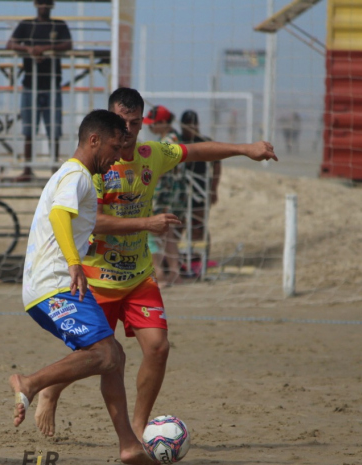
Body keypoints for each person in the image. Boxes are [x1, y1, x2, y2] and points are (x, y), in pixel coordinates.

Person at [34, 88, 277, 440]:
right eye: (123, 122)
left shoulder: (153, 154)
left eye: (135, 122)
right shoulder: (97, 165)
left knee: (158, 348)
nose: (129, 130)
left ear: (143, 121)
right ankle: (51, 390)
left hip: (139, 277)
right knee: (100, 357)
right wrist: (146, 224)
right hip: (97, 277)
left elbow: (196, 151)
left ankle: (139, 426)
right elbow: (94, 222)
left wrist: (245, 149)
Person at [9, 109, 160, 465]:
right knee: (107, 355)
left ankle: (128, 444)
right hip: (55, 284)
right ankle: (30, 383)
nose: (116, 155)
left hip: (56, 284)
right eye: (112, 145)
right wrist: (75, 263)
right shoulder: (77, 176)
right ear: (94, 140)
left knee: (114, 357)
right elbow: (60, 216)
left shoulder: (75, 176)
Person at [6, 0, 72, 181]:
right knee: (28, 129)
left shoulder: (58, 25)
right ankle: (27, 169)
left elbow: (68, 44)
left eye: (47, 3)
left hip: (51, 85)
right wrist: (29, 49)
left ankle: (54, 169)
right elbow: (10, 43)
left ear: (52, 5)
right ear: (36, 4)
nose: (44, 6)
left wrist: (45, 48)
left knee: (54, 129)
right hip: (30, 84)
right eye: (41, 2)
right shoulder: (27, 25)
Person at [143, 105, 184, 286]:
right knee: (168, 233)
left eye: (153, 124)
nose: (150, 128)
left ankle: (159, 273)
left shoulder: (168, 141)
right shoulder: (174, 137)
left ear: (163, 122)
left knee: (153, 231)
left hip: (164, 194)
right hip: (172, 194)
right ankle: (174, 273)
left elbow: (158, 168)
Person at [179, 109, 222, 243]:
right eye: (187, 124)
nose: (190, 127)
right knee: (178, 224)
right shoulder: (177, 141)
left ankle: (200, 257)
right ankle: (180, 256)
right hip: (180, 190)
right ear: (181, 125)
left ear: (197, 124)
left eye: (193, 124)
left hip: (200, 189)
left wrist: (213, 189)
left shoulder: (204, 141)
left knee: (199, 224)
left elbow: (217, 165)